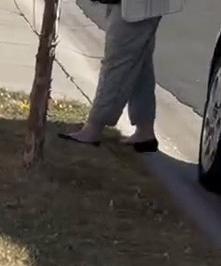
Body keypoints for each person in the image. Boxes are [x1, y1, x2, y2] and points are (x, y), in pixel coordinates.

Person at [59, 0, 185, 154]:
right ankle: (145, 130)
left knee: (118, 60)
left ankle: (94, 127)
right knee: (140, 62)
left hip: (136, 7)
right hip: (141, 7)